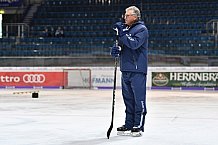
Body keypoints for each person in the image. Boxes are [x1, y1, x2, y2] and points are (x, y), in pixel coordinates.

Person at [110, 6, 149, 137]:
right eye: (124, 15)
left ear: (135, 16)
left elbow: (134, 44)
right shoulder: (125, 31)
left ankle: (138, 125)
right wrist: (116, 50)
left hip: (137, 69)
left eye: (127, 15)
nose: (124, 17)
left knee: (139, 99)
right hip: (125, 68)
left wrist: (122, 33)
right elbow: (123, 46)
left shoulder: (141, 29)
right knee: (128, 99)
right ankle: (129, 123)